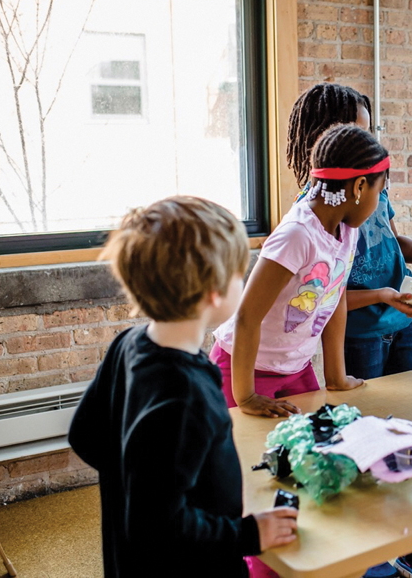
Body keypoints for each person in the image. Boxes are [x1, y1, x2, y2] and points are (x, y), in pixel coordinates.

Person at [285, 82, 412, 578]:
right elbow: (327, 296)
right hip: (358, 340)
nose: (371, 141)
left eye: (371, 128)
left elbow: (389, 238)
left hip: (400, 329)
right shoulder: (314, 214)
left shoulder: (372, 188)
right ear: (328, 139)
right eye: (358, 131)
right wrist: (384, 297)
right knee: (366, 450)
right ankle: (371, 560)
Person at [68, 197, 298, 577]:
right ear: (213, 292)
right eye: (239, 273)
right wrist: (248, 533)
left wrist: (136, 486)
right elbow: (156, 527)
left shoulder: (128, 344)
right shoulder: (184, 396)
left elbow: (84, 436)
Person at [211, 123, 388, 418]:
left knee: (311, 449)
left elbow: (334, 299)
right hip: (243, 372)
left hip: (295, 369)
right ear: (358, 187)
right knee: (251, 457)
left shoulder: (347, 231)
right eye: (378, 191)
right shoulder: (297, 234)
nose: (376, 203)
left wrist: (337, 378)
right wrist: (246, 397)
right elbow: (246, 316)